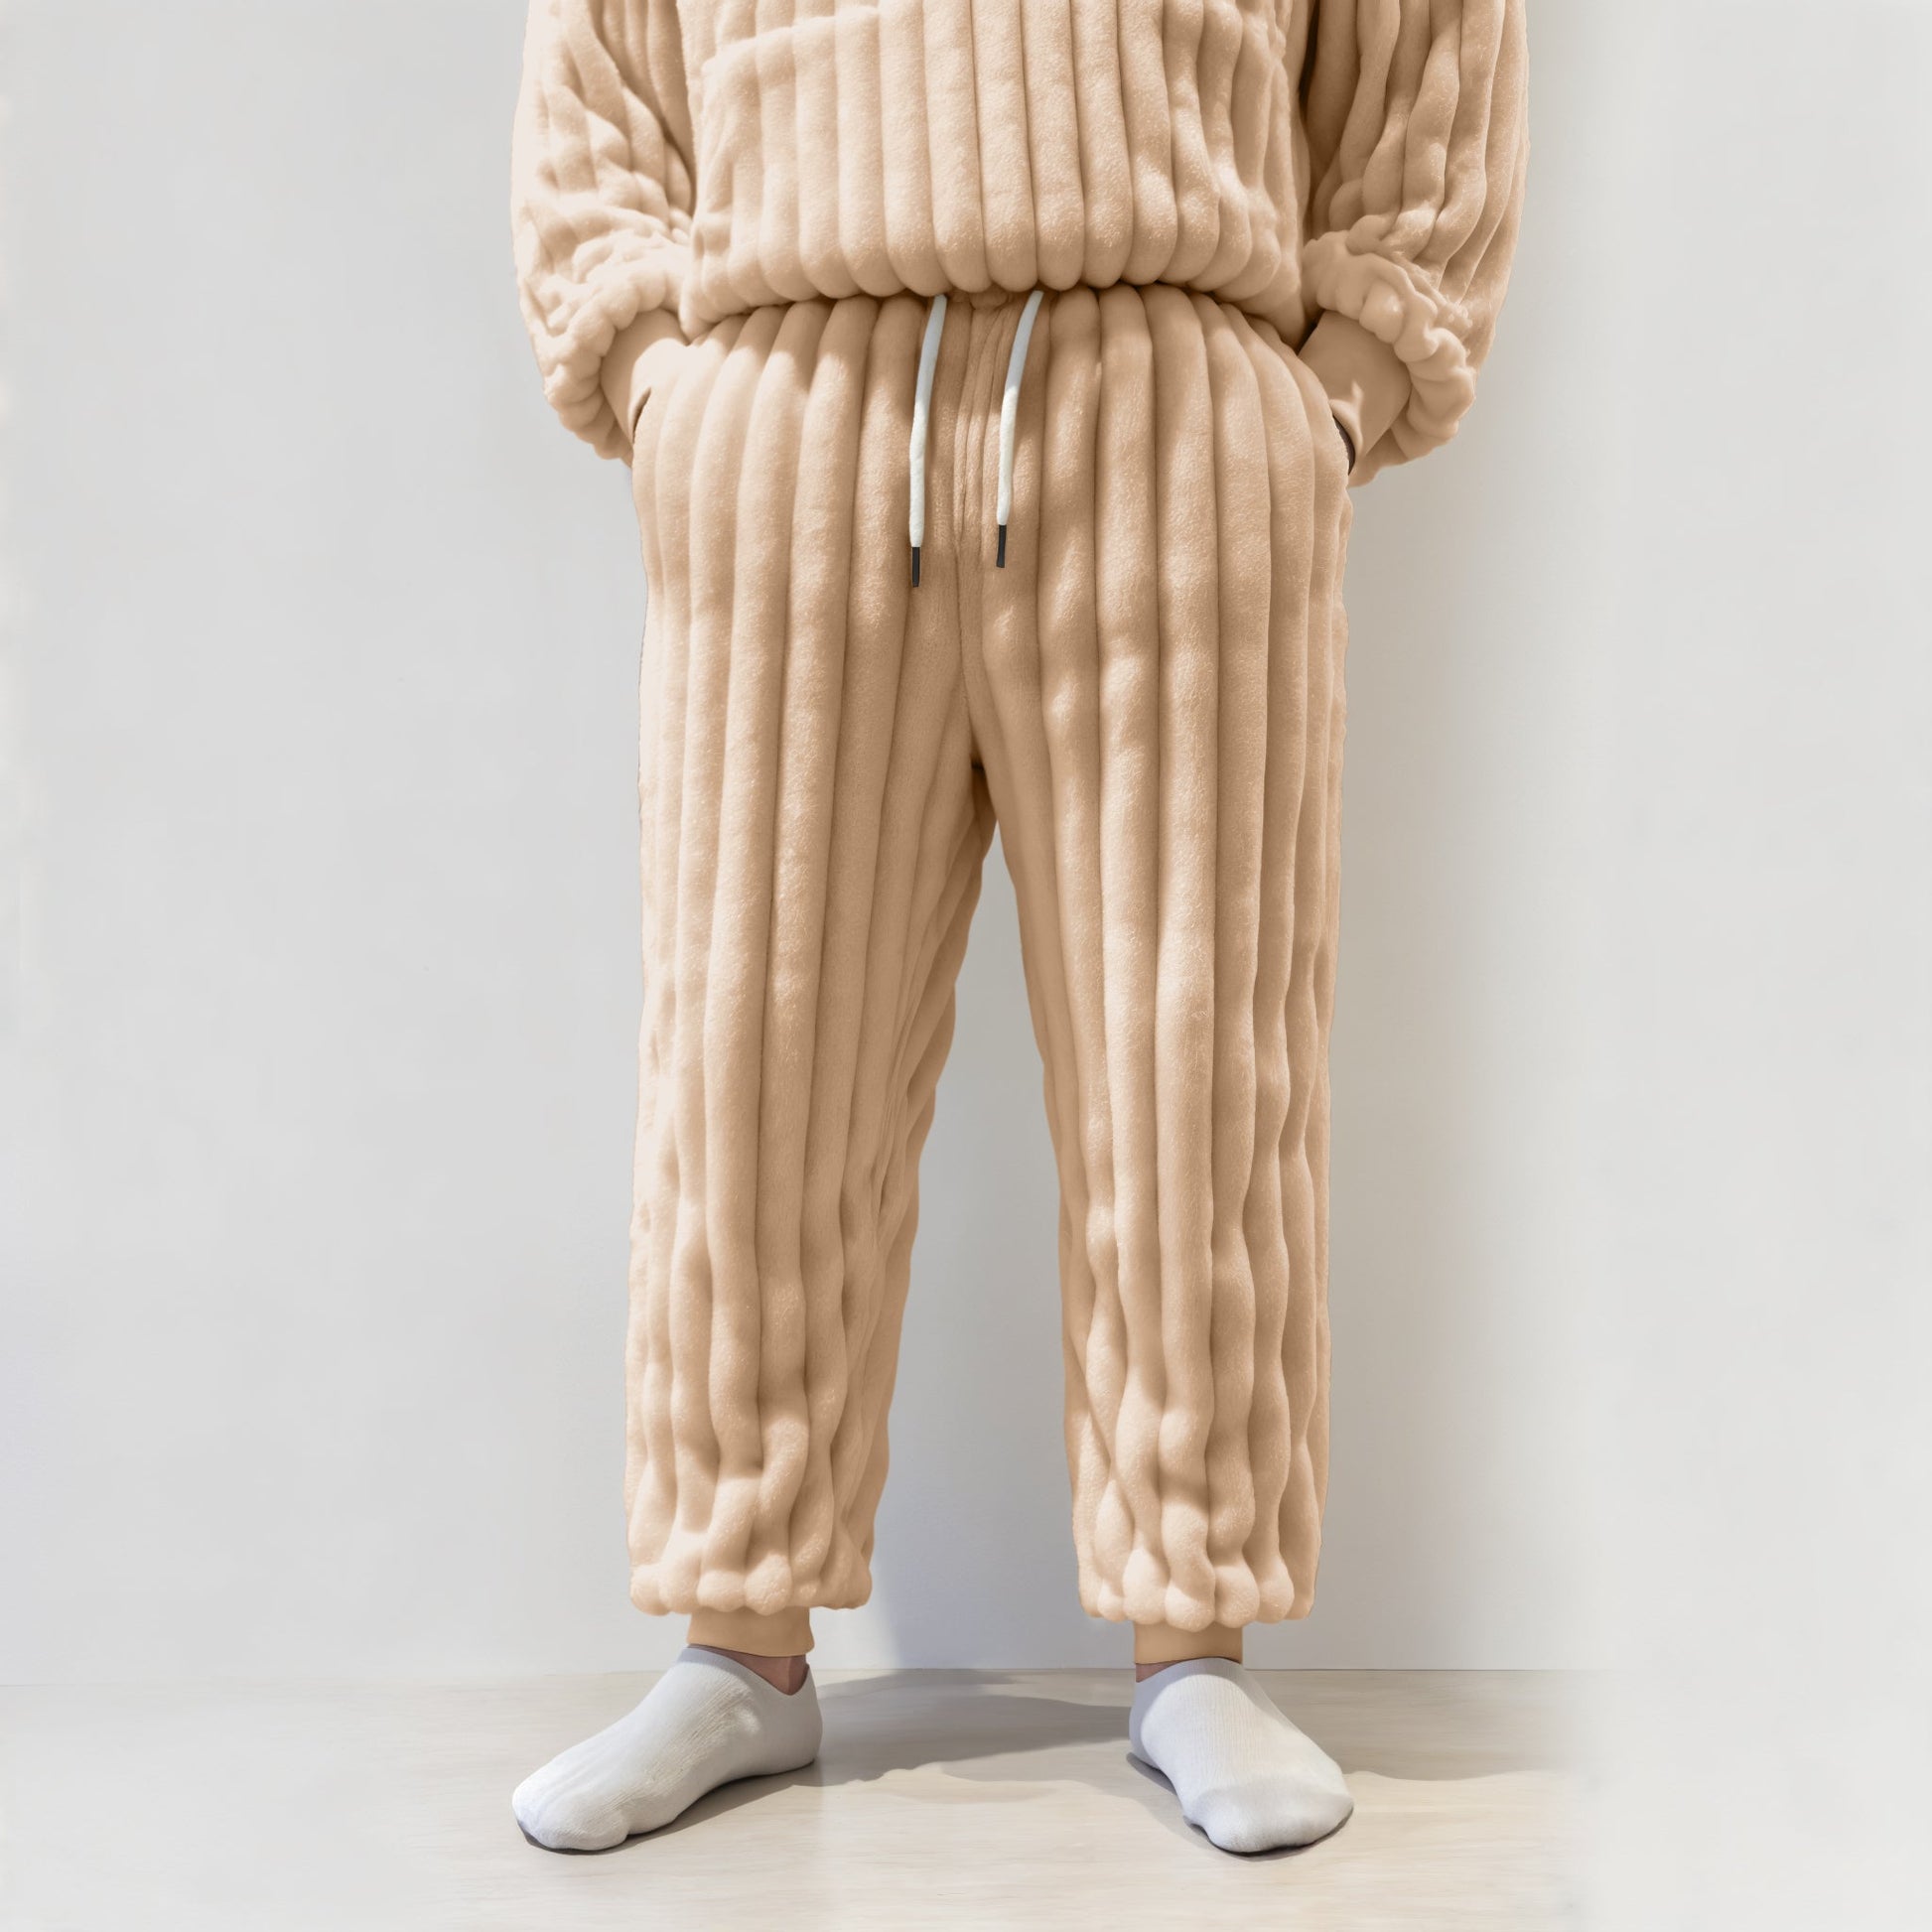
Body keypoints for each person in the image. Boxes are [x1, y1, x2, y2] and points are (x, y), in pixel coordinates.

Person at [505, 0, 1527, 1857]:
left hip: (1175, 399)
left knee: (1194, 1054)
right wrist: (654, 371)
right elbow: (597, 63)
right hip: (788, 406)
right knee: (752, 1055)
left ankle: (1191, 1638)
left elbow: (1431, 43)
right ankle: (739, 1638)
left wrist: (1340, 385)